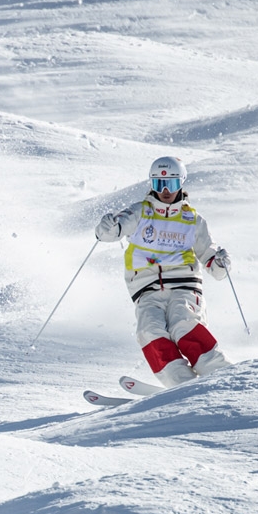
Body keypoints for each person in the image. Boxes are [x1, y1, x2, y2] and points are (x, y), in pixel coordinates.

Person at [93, 156, 232, 387]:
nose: (165, 191)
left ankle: (221, 374)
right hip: (146, 290)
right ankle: (181, 384)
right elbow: (110, 233)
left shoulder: (193, 220)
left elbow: (211, 260)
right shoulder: (140, 212)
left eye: (172, 184)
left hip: (183, 287)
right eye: (159, 184)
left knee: (183, 323)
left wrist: (219, 263)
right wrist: (105, 227)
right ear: (152, 184)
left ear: (182, 184)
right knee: (149, 331)